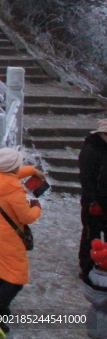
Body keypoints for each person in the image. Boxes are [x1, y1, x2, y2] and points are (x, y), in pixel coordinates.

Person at [0, 147, 42, 323]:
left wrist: (32, 170)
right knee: (16, 277)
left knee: (0, 270)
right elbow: (27, 217)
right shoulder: (13, 189)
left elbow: (12, 174)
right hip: (8, 237)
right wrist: (37, 207)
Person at [80, 120, 107, 281]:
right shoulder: (91, 150)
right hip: (94, 201)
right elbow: (87, 179)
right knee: (91, 236)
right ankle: (87, 267)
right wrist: (92, 201)